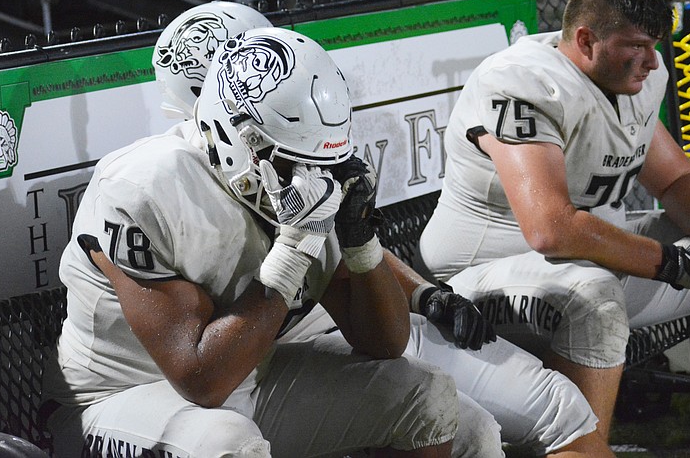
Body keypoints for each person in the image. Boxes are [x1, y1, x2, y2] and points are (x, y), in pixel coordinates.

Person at [149, 1, 617, 457]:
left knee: (560, 409)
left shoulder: (300, 129)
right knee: (469, 428)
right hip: (284, 352)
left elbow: (343, 241)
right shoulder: (172, 185)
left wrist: (424, 295)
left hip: (359, 315)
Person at [418, 0, 690, 457]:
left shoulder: (631, 80)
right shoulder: (520, 84)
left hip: (586, 258)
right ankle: (581, 449)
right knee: (594, 300)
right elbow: (549, 229)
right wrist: (674, 264)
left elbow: (678, 178)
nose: (652, 62)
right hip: (480, 275)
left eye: (654, 45)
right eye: (636, 47)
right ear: (587, 40)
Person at [41, 26, 467, 457]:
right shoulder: (143, 189)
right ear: (235, 140)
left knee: (425, 397)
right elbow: (200, 379)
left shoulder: (306, 182)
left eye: (322, 159)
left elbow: (384, 344)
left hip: (246, 376)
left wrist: (360, 241)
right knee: (228, 446)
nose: (311, 175)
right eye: (293, 159)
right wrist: (295, 247)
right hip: (116, 399)